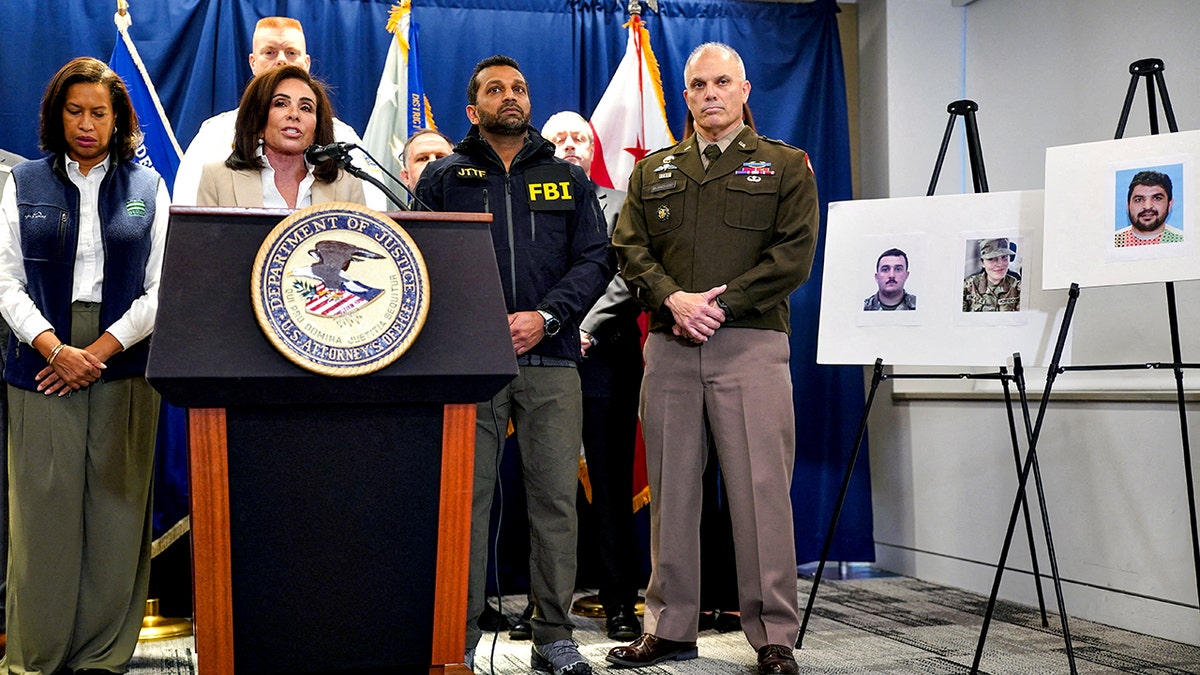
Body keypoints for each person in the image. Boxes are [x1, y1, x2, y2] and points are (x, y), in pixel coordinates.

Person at [606, 42, 817, 675]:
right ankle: (669, 628)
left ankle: (774, 634)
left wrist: (718, 306)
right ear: (686, 95)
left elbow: (794, 255)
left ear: (745, 89)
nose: (710, 94)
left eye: (722, 82)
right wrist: (673, 300)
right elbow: (630, 249)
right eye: (698, 85)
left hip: (749, 344)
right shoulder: (653, 172)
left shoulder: (784, 167)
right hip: (670, 345)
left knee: (760, 493)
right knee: (671, 491)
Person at [414, 55, 610, 675]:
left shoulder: (566, 177)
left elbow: (596, 259)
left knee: (554, 499)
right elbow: (419, 262)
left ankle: (554, 635)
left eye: (519, 87)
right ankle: (460, 637)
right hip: (470, 363)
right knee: (466, 502)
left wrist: (546, 317)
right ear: (473, 110)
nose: (511, 97)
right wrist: (477, 324)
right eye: (495, 90)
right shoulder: (444, 178)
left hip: (550, 358)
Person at [0, 56, 169, 675]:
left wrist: (97, 352)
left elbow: (162, 287)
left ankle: (101, 657)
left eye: (100, 112)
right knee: (42, 517)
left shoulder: (149, 190)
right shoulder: (24, 183)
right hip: (42, 362)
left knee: (118, 515)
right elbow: (5, 280)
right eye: (75, 111)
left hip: (121, 360)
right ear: (56, 114)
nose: (88, 123)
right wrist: (55, 348)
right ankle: (36, 658)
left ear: (119, 117)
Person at [541, 110, 643, 641]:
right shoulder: (528, 204)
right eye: (558, 137)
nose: (570, 145)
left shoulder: (622, 202)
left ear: (593, 148)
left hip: (605, 361)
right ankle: (547, 610)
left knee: (608, 487)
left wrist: (582, 328)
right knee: (548, 490)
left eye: (580, 138)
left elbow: (627, 274)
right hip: (542, 358)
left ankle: (620, 602)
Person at [175, 16, 385, 209]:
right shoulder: (213, 133)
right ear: (252, 62)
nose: (281, 60)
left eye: (291, 53)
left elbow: (373, 215)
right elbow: (189, 214)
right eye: (270, 53)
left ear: (307, 63)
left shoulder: (343, 136)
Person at [196, 65, 365, 208]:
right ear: (258, 121)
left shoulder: (347, 184)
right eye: (280, 104)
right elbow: (204, 245)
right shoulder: (217, 179)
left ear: (317, 128)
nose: (294, 114)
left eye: (306, 108)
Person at [1115, 170, 1181, 247]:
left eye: (1157, 198)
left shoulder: (1183, 241)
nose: (1147, 206)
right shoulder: (1113, 242)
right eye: (1139, 200)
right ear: (1128, 205)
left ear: (1169, 205)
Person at [962, 237, 1020, 312]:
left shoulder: (1018, 289)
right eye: (991, 258)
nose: (1000, 264)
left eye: (1004, 257)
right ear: (982, 262)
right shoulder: (968, 287)